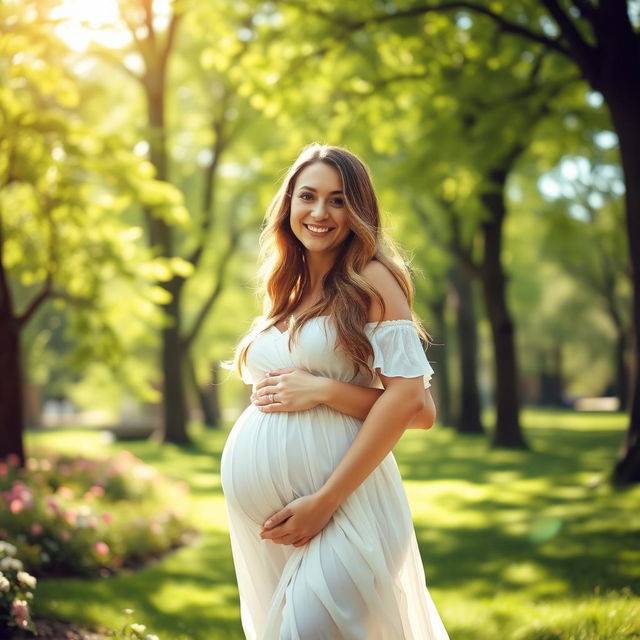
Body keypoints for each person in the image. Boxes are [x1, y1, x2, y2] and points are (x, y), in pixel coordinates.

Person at [221, 143, 449, 639]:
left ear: (358, 210)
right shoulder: (289, 288)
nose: (320, 212)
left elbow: (415, 404)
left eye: (339, 200)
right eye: (308, 196)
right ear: (289, 206)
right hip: (272, 523)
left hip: (346, 505)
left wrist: (323, 394)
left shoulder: (374, 278)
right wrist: (315, 393)